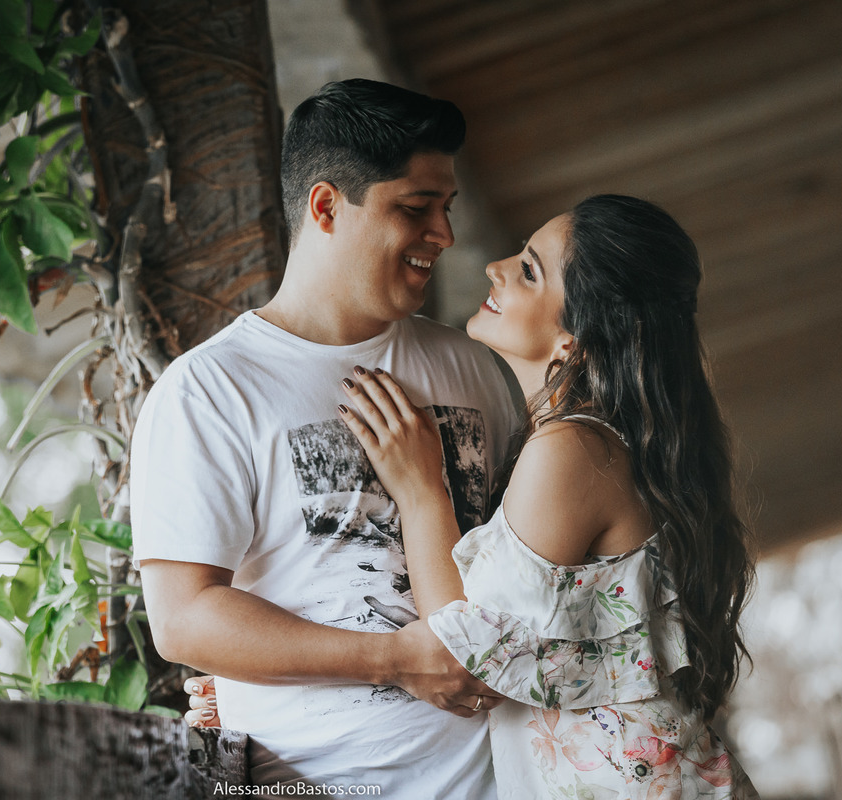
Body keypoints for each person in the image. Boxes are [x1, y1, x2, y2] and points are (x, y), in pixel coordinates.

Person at [130, 79, 518, 795]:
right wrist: (396, 658)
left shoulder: (476, 369)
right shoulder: (209, 391)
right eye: (415, 207)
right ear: (326, 206)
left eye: (447, 207)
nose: (445, 234)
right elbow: (183, 620)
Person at [338, 194, 760, 797]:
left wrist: (420, 489)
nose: (495, 267)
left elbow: (464, 662)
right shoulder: (594, 443)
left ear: (574, 342)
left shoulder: (573, 451)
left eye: (529, 270)